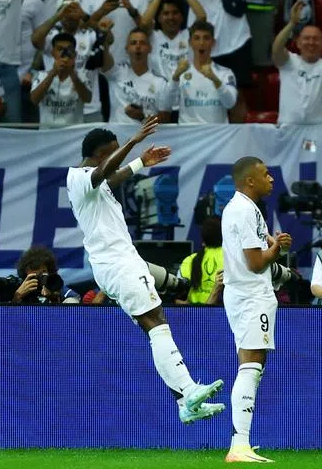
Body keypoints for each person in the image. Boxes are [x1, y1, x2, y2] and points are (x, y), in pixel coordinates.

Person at [67, 119, 225, 423]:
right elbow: (103, 174)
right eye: (114, 154)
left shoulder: (92, 183)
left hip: (123, 262)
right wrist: (133, 142)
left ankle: (183, 401)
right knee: (156, 325)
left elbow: (110, 178)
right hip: (117, 263)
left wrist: (141, 161)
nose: (119, 160)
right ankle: (188, 390)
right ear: (101, 154)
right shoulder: (78, 177)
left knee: (156, 324)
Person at [221, 155, 291, 464]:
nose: (271, 178)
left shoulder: (247, 209)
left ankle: (241, 441)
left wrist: (276, 245)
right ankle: (239, 446)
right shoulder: (243, 211)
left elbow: (262, 248)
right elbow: (256, 262)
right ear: (250, 180)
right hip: (251, 295)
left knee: (252, 366)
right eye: (265, 174)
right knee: (251, 365)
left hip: (246, 295)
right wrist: (276, 251)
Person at [271, 0, 322, 124]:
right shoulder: (289, 62)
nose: (311, 42)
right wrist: (292, 22)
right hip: (289, 130)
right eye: (306, 38)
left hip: (320, 132)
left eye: (316, 39)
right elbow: (276, 48)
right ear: (298, 43)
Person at [173, 21, 238, 124]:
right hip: (188, 135)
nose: (201, 43)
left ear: (213, 42)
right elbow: (165, 105)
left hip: (216, 135)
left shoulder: (225, 73)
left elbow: (230, 103)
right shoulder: (180, 73)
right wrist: (175, 78)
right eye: (197, 38)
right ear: (190, 42)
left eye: (206, 38)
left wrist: (214, 79)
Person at [12, 245, 82, 304]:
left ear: (50, 271)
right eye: (34, 274)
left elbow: (74, 301)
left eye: (43, 273)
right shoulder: (18, 287)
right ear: (25, 274)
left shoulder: (55, 287)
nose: (39, 278)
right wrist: (17, 296)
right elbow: (7, 316)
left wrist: (54, 298)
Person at [179, 217, 224, 306]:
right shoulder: (232, 260)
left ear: (203, 238)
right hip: (221, 316)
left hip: (190, 316)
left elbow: (178, 300)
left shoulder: (189, 260)